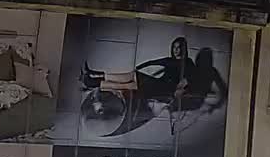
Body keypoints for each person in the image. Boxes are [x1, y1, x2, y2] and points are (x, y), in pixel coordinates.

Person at [79, 36, 226, 112]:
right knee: (128, 83)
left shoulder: (188, 63)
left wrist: (183, 89)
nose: (176, 50)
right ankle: (93, 80)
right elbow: (154, 63)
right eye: (174, 47)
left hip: (164, 90)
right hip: (158, 85)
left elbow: (192, 81)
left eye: (179, 47)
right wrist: (142, 67)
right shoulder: (171, 60)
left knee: (129, 79)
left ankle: (94, 77)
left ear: (184, 48)